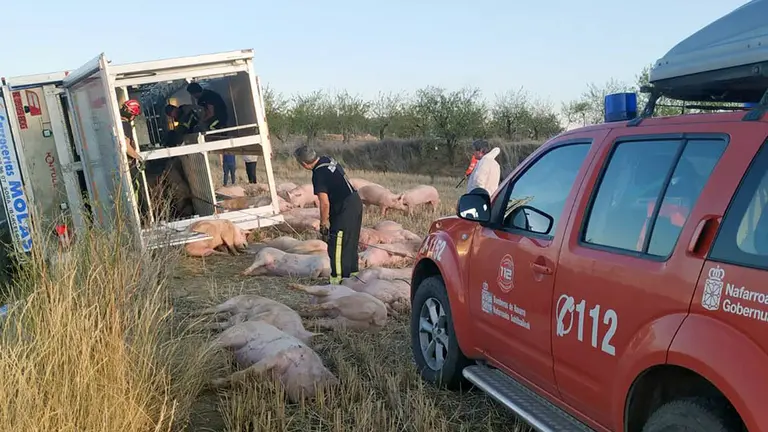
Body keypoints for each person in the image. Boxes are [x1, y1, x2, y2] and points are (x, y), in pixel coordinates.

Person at [294, 145, 362, 284]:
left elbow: (324, 203)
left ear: (304, 164)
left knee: (337, 244)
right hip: (355, 201)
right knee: (351, 241)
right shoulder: (327, 159)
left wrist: (323, 223)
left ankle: (337, 280)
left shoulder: (319, 174)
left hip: (344, 208)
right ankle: (352, 276)